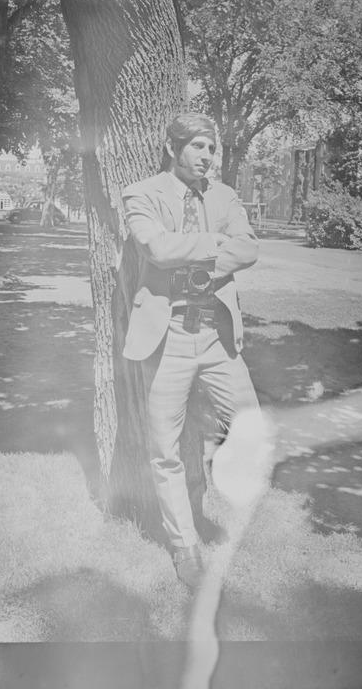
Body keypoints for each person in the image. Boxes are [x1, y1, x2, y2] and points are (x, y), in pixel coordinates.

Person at [122, 112, 261, 589]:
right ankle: (184, 543)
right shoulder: (141, 194)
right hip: (168, 338)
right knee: (164, 450)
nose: (207, 156)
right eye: (199, 146)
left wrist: (191, 253)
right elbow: (155, 248)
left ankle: (206, 497)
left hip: (218, 338)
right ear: (172, 146)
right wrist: (213, 243)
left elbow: (248, 250)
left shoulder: (224, 196)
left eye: (212, 148)